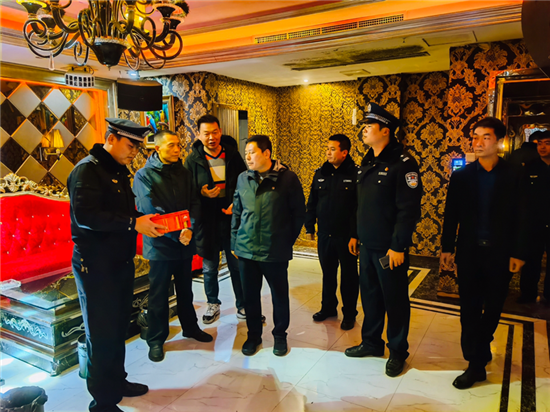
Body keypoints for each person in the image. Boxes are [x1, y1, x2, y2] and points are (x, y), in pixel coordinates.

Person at [68, 118, 166, 412]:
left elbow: (122, 212)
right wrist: (133, 223)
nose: (134, 151)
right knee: (101, 333)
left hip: (119, 262)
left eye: (137, 146)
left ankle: (117, 382)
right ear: (111, 138)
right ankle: (102, 401)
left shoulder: (118, 170)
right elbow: (87, 216)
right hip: (96, 265)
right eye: (130, 145)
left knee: (119, 326)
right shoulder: (87, 170)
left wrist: (144, 220)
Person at [440, 117, 527, 389]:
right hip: (469, 253)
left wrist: (519, 252)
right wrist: (446, 247)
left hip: (501, 254)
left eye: (485, 137)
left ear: (499, 142)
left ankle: (479, 351)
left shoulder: (515, 174)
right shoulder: (462, 176)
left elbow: (524, 216)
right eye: (475, 137)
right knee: (468, 309)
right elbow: (451, 214)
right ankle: (475, 361)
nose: (477, 143)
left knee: (493, 308)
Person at [346, 103, 422, 379]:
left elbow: (408, 210)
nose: (364, 130)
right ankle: (371, 342)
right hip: (367, 245)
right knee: (370, 296)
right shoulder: (368, 161)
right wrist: (355, 233)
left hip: (389, 249)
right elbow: (360, 204)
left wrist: (398, 245)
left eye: (369, 126)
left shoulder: (403, 163)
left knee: (395, 300)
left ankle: (398, 351)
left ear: (385, 131)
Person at [133, 130, 213, 363]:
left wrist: (190, 228)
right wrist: (179, 233)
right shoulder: (144, 175)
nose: (178, 149)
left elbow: (194, 203)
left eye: (179, 145)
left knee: (186, 289)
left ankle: (190, 327)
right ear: (157, 148)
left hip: (184, 241)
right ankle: (156, 339)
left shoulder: (184, 173)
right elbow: (150, 210)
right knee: (159, 294)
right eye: (171, 145)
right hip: (160, 244)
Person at [231, 135, 306, 357]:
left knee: (279, 295)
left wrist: (285, 240)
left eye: (252, 152)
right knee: (250, 297)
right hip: (246, 250)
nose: (247, 157)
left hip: (275, 250)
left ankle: (280, 335)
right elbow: (237, 211)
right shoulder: (243, 178)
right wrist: (235, 241)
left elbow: (298, 213)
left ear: (267, 153)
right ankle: (253, 335)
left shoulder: (288, 178)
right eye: (246, 153)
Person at [184, 115, 247, 324]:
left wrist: (236, 204)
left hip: (230, 219)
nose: (211, 137)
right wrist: (200, 192)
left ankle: (242, 305)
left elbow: (244, 183)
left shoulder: (233, 155)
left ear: (220, 131)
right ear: (198, 135)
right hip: (207, 220)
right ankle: (213, 303)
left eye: (214, 132)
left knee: (236, 264)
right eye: (206, 133)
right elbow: (187, 190)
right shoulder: (192, 160)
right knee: (210, 267)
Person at [305, 134, 359, 330]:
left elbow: (358, 208)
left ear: (344, 152)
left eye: (332, 149)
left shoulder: (356, 174)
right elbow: (312, 201)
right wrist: (309, 225)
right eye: (327, 148)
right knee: (328, 274)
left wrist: (355, 235)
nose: (328, 152)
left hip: (346, 236)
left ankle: (349, 313)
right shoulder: (321, 173)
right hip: (325, 234)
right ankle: (328, 308)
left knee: (349, 277)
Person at [517, 130, 550, 304]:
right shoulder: (530, 167)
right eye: (540, 143)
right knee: (531, 260)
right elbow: (522, 196)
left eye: (547, 143)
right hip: (534, 223)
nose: (542, 147)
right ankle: (528, 294)